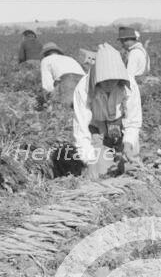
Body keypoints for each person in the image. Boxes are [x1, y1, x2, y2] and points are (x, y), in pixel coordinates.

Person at [72, 43, 141, 177]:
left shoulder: (129, 85)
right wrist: (89, 160)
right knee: (101, 173)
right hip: (97, 130)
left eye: (113, 79)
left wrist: (128, 144)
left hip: (121, 128)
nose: (110, 83)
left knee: (131, 168)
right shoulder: (83, 88)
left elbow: (133, 121)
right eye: (105, 80)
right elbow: (81, 128)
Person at [40, 42, 84, 106]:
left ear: (45, 53)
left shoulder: (45, 60)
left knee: (62, 109)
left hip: (68, 81)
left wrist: (48, 99)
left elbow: (47, 84)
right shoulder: (70, 58)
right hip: (84, 81)